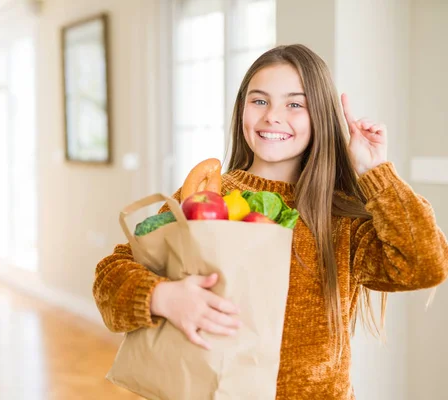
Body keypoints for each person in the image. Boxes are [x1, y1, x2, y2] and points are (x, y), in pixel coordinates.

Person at [92, 44, 448, 398]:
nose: (272, 116)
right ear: (242, 109)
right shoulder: (205, 197)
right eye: (259, 100)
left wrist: (375, 171)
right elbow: (110, 275)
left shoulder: (341, 217)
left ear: (320, 116)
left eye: (295, 104)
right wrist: (163, 296)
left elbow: (425, 264)